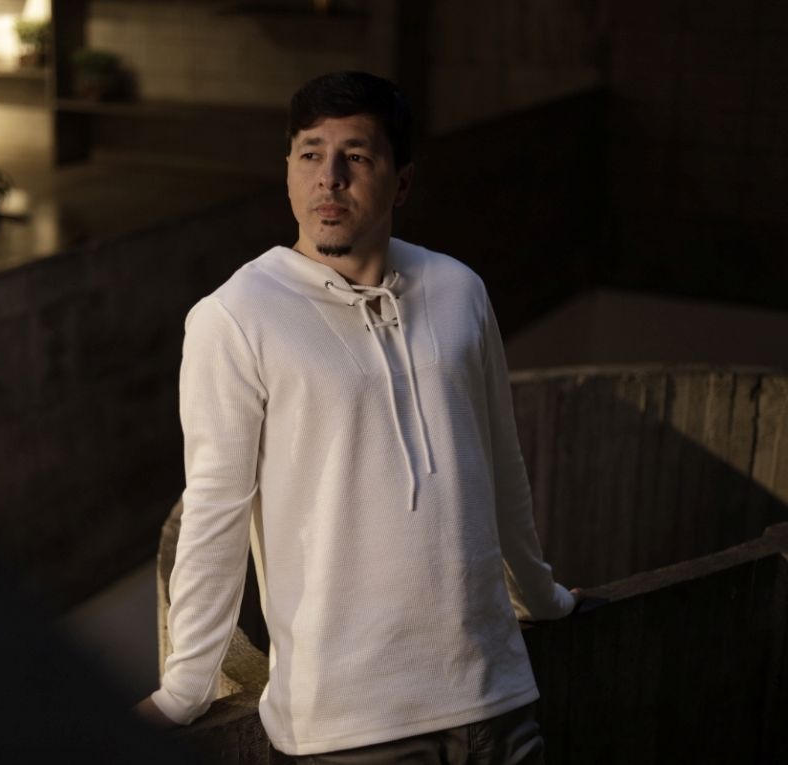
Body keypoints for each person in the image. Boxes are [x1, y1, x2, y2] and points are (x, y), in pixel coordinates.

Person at [137, 71, 578, 763]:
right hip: (347, 723)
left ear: (401, 181)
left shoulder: (460, 290)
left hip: (497, 698)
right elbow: (216, 508)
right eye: (310, 154)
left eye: (357, 156)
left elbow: (501, 464)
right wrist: (185, 687)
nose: (329, 178)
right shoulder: (234, 317)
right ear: (288, 170)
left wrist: (543, 598)